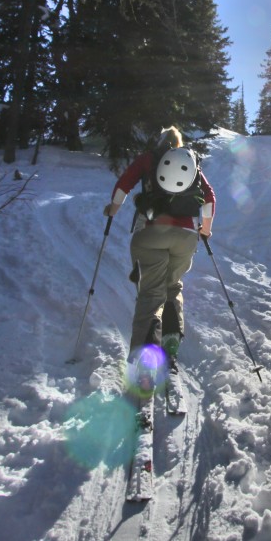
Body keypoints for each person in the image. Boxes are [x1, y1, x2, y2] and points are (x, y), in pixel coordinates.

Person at [103, 127, 215, 380]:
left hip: (152, 234)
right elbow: (209, 197)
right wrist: (205, 229)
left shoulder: (148, 159)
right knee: (172, 287)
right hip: (186, 237)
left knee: (151, 295)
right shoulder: (189, 163)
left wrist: (113, 209)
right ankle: (171, 346)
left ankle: (143, 363)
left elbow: (124, 184)